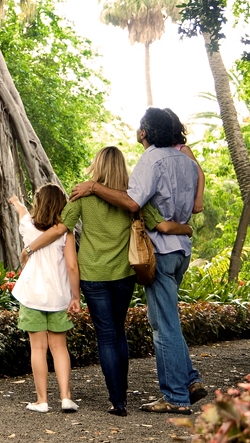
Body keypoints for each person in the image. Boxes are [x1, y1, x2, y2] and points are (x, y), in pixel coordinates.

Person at [24, 147, 192, 416]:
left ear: (98, 166)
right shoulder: (133, 199)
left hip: (92, 275)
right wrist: (188, 228)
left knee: (106, 335)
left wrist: (30, 248)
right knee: (118, 331)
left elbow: (59, 228)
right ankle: (120, 396)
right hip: (124, 274)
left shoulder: (82, 196)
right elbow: (162, 226)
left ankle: (119, 401)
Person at [70, 107, 207, 415]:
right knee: (170, 320)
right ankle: (190, 381)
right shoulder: (187, 161)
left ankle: (175, 396)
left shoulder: (151, 160)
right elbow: (196, 207)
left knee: (163, 326)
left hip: (157, 252)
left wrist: (93, 186)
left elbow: (132, 202)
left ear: (144, 133)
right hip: (181, 249)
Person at [8, 184, 81, 414]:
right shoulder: (65, 231)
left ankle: (42, 401)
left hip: (32, 296)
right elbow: (71, 265)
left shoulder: (29, 225)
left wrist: (17, 203)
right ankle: (66, 397)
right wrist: (76, 296)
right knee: (59, 347)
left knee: (38, 348)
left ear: (38, 203)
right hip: (59, 296)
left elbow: (22, 213)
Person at [165, 108, 205, 214]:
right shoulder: (159, 151)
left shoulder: (183, 149)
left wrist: (199, 198)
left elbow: (200, 174)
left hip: (181, 200)